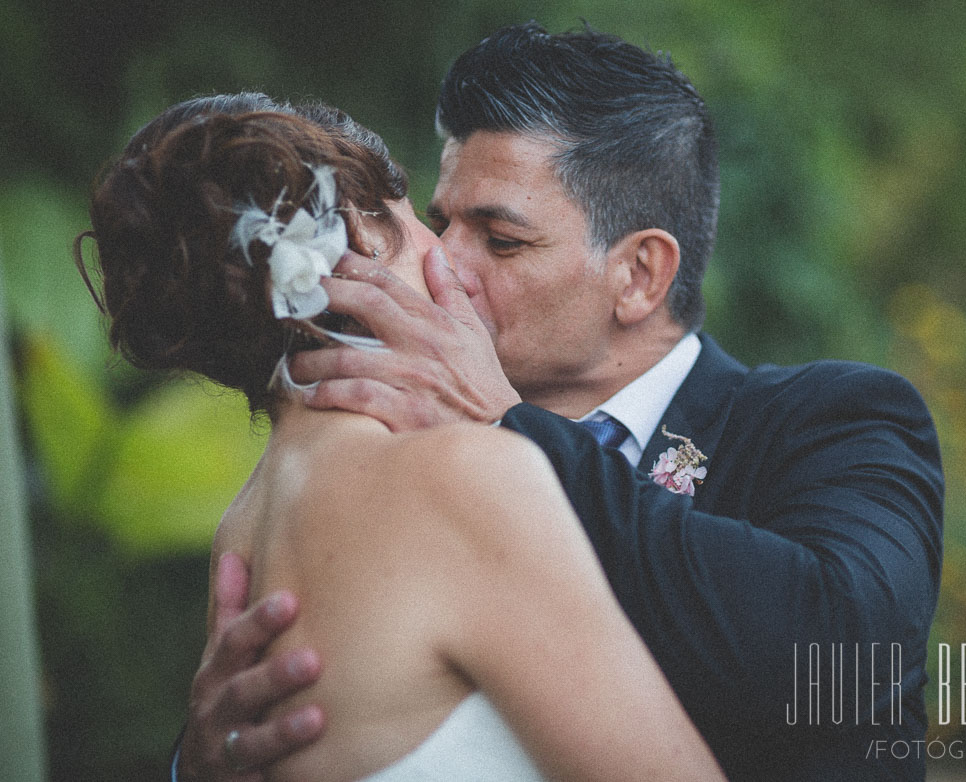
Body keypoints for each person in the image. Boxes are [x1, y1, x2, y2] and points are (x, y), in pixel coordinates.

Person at [178, 22, 945, 781]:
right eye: (443, 221)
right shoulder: (392, 468)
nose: (445, 258)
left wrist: (510, 426)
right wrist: (201, 767)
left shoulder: (836, 417)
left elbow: (844, 653)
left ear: (640, 275)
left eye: (502, 240)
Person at [78, 92, 728, 782]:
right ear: (357, 240)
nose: (451, 258)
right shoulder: (464, 474)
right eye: (421, 219)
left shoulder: (241, 529)